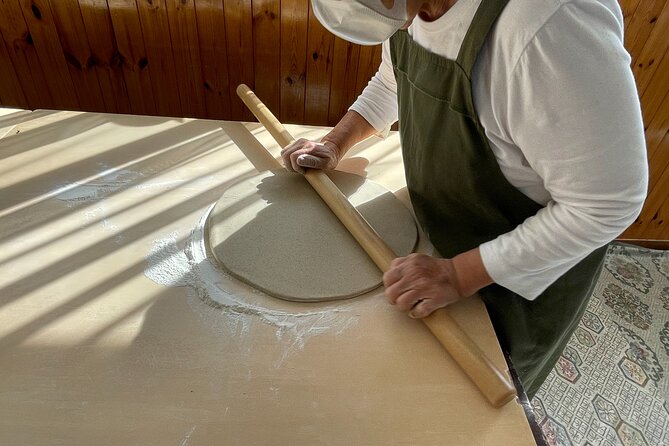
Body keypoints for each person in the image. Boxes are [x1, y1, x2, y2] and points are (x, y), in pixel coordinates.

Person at [281, 0, 648, 397]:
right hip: (434, 234)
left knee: (471, 404)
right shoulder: (406, 9)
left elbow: (608, 203)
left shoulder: (547, 27)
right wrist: (335, 143)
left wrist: (457, 275)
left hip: (516, 270)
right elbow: (393, 80)